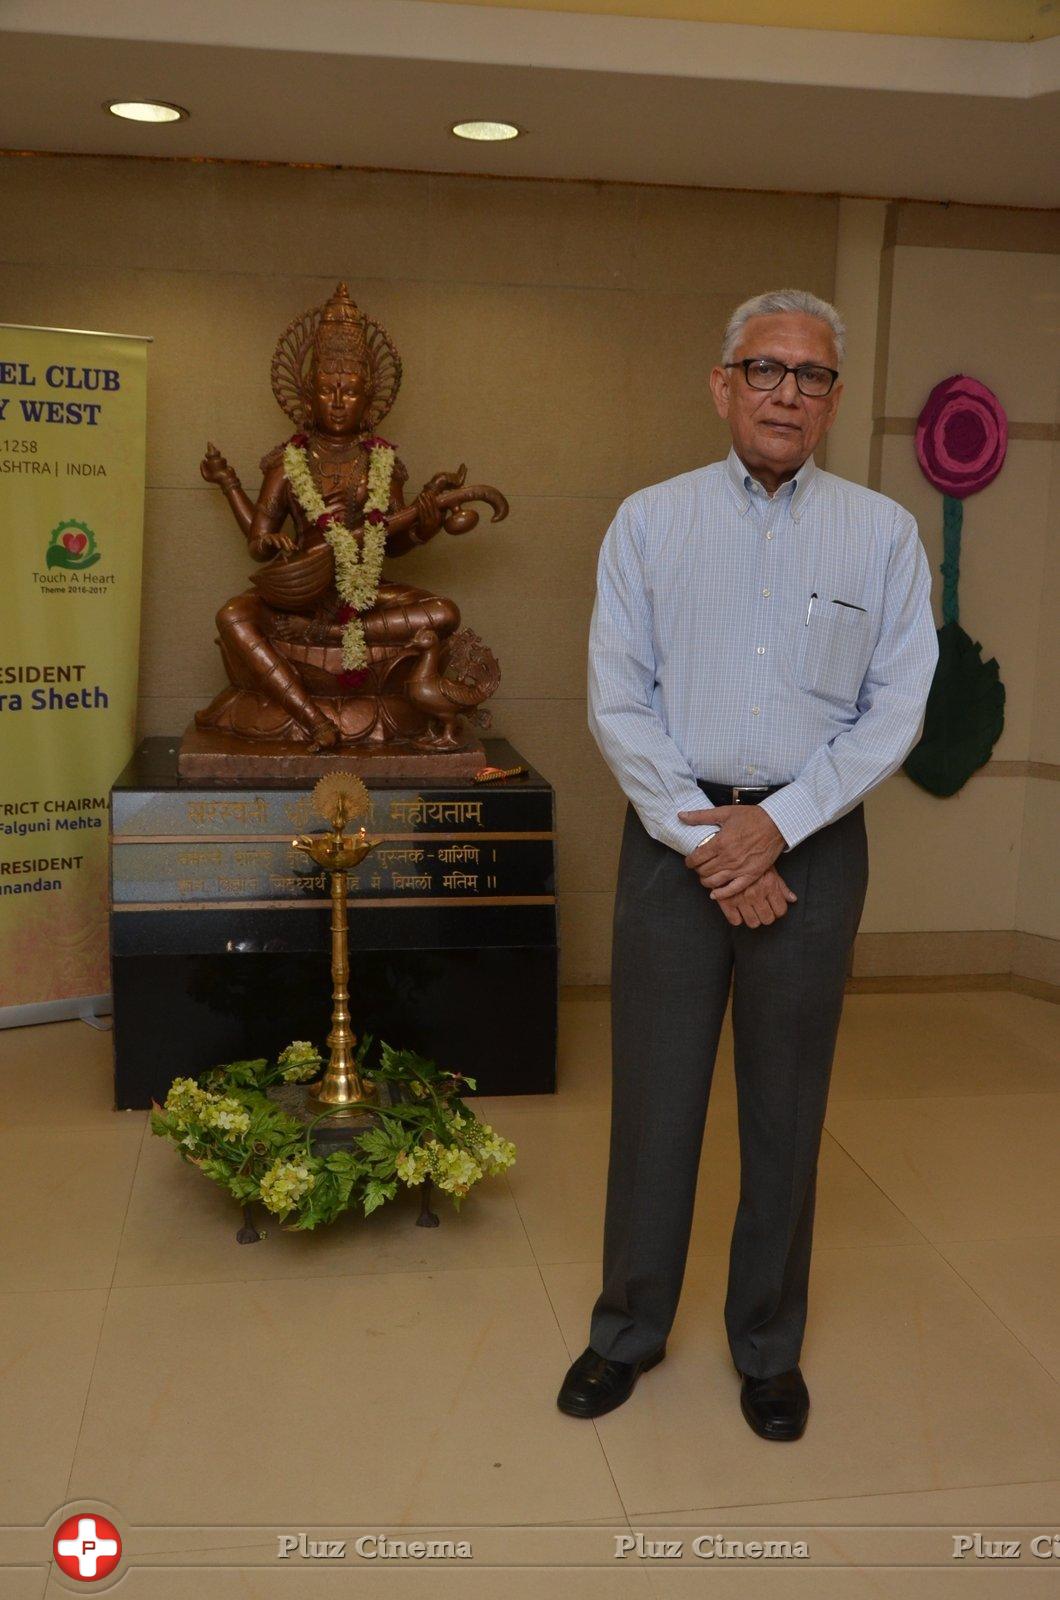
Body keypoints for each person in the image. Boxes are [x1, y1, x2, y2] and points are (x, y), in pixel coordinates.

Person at [557, 288, 938, 1441]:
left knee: (785, 1105)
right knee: (656, 1103)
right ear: (721, 385)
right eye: (763, 370)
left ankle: (767, 1345)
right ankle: (626, 1329)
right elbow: (617, 699)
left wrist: (776, 826)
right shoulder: (649, 521)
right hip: (673, 846)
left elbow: (896, 707)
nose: (786, 392)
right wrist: (709, 837)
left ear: (830, 400)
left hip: (812, 849)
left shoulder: (878, 533)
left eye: (810, 376)